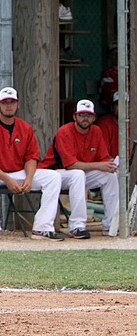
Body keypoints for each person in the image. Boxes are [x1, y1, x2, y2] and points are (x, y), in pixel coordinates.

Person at [0, 87, 64, 241]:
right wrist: (7, 179)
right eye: (5, 102)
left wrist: (29, 178)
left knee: (53, 177)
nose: (9, 106)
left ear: (18, 104)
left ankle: (43, 228)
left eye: (12, 102)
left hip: (17, 172)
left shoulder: (25, 128)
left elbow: (31, 157)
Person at [40, 99, 119, 238]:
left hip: (80, 174)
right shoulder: (64, 131)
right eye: (81, 115)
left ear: (94, 117)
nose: (85, 118)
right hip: (55, 174)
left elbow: (103, 159)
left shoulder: (96, 131)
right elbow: (70, 165)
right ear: (74, 116)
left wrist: (110, 164)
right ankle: (77, 226)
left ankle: (111, 225)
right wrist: (100, 165)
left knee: (110, 175)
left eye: (88, 115)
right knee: (78, 174)